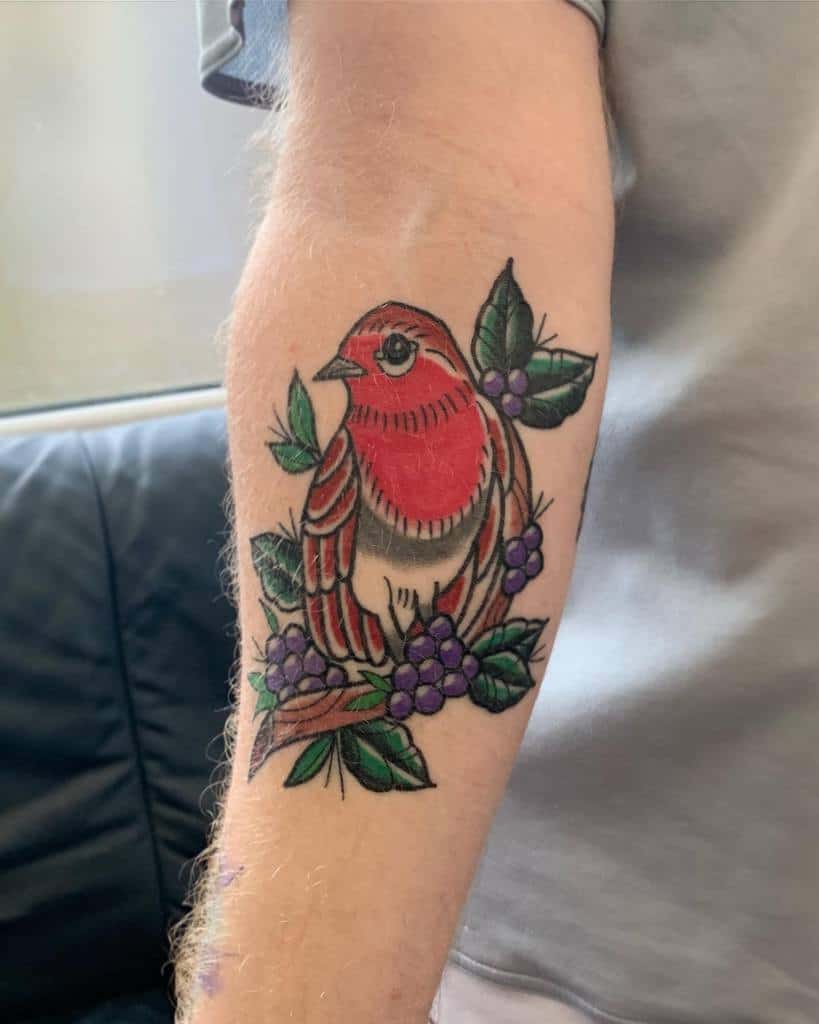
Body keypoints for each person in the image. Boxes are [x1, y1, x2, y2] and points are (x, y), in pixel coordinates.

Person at [176, 3, 819, 1023]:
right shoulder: (360, 452)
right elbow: (415, 201)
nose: (359, 377)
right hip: (620, 950)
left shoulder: (481, 434)